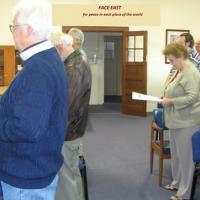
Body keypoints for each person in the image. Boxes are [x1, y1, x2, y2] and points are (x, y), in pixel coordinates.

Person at [0, 1, 67, 200]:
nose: (12, 32)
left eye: (13, 27)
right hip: (34, 167)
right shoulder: (47, 59)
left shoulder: (38, 69)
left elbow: (27, 128)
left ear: (28, 29)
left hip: (25, 176)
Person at [51, 32, 91, 200]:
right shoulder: (77, 59)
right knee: (72, 174)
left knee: (66, 177)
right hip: (73, 129)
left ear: (60, 48)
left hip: (67, 132)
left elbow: (67, 107)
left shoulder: (73, 67)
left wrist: (56, 134)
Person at [161, 42, 200, 200]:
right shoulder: (179, 70)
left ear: (180, 57)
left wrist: (171, 101)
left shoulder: (191, 72)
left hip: (187, 121)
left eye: (171, 60)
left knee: (186, 158)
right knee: (176, 155)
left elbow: (193, 97)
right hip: (176, 120)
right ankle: (177, 182)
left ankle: (184, 193)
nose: (170, 63)